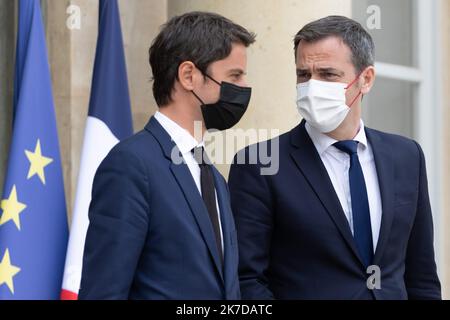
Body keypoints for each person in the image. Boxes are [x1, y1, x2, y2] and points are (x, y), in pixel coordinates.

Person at [228, 15, 441, 300]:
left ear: (365, 79)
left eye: (328, 74)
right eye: (304, 75)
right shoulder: (259, 163)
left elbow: (421, 275)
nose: (312, 86)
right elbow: (248, 280)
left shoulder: (406, 156)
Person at [79, 11, 255, 299]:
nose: (244, 86)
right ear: (189, 75)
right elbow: (104, 291)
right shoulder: (132, 165)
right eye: (234, 75)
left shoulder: (214, 177)